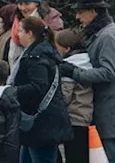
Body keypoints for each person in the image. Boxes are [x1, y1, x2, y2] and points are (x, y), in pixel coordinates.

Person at [59, 0, 115, 163]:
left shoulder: (107, 36)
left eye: (81, 12)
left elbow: (107, 72)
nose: (77, 16)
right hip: (108, 109)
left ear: (93, 11)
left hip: (111, 110)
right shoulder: (104, 33)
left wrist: (74, 72)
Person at [10, 16, 72, 163]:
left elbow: (38, 87)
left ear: (30, 33)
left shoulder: (36, 57)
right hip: (40, 123)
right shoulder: (43, 52)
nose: (17, 35)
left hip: (41, 125)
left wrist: (12, 91)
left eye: (20, 31)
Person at [0, 0, 65, 68]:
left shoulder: (50, 20)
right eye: (20, 3)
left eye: (27, 3)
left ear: (37, 3)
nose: (23, 8)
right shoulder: (15, 21)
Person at [53, 28, 94, 163]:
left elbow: (65, 95)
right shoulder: (86, 63)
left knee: (74, 155)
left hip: (73, 117)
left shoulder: (69, 67)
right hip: (85, 115)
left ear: (66, 48)